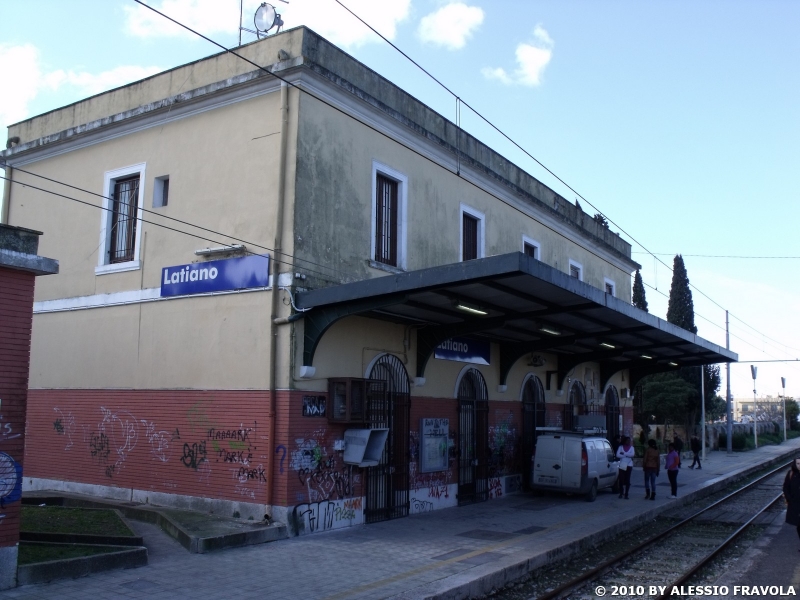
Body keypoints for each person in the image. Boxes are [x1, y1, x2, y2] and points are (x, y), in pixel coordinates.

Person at [784, 457, 800, 551]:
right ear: (795, 464)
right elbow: (786, 487)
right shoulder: (791, 474)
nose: (799, 465)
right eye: (798, 463)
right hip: (795, 504)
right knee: (798, 525)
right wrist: (789, 498)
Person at [616, 435, 635, 499]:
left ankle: (626, 493)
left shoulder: (632, 448)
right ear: (625, 441)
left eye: (629, 441)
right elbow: (617, 455)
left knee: (627, 480)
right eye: (627, 441)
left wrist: (623, 454)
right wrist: (627, 455)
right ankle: (621, 493)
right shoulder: (620, 447)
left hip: (629, 465)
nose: (629, 442)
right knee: (621, 479)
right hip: (622, 464)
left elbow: (632, 455)